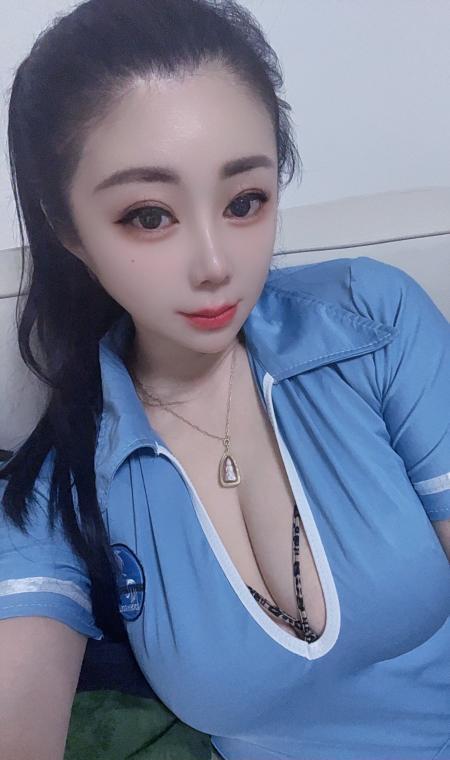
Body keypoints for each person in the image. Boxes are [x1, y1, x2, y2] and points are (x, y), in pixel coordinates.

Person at [0, 0, 449, 758]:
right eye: (149, 216)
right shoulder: (62, 489)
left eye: (245, 202)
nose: (215, 265)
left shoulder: (373, 324)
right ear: (67, 228)